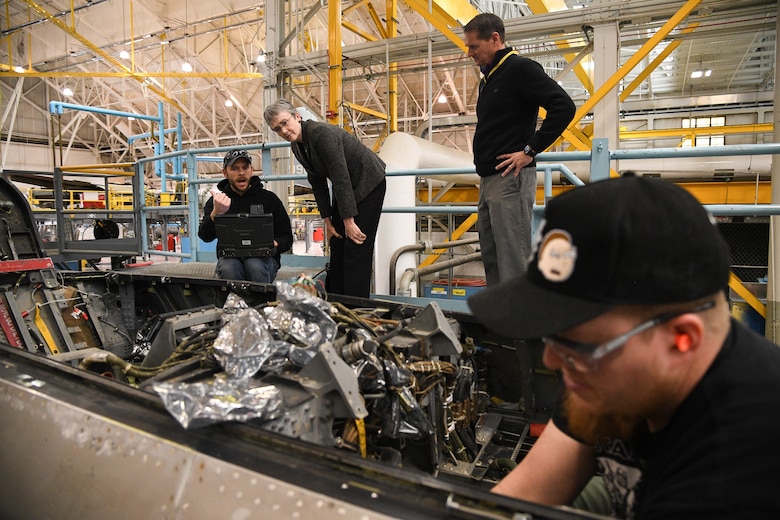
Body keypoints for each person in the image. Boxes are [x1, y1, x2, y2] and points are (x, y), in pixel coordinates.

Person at [468, 175, 780, 518]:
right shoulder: (605, 374)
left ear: (682, 340)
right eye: (553, 336)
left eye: (576, 347)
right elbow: (526, 491)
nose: (552, 360)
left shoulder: (737, 472)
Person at [463, 13, 576, 286]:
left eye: (474, 46)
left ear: (495, 39)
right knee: (491, 258)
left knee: (513, 259)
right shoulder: (489, 79)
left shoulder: (520, 69)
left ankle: (521, 326)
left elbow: (564, 107)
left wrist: (530, 150)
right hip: (489, 179)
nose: (469, 53)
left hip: (510, 179)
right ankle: (500, 323)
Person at [263, 99, 386, 298]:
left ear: (297, 116)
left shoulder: (322, 134)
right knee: (337, 241)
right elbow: (317, 182)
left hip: (367, 182)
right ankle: (336, 300)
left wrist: (349, 221)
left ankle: (356, 306)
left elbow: (340, 176)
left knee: (356, 245)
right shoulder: (297, 146)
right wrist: (328, 221)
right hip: (345, 188)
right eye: (277, 129)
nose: (283, 130)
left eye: (285, 123)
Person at [198, 149, 293, 283]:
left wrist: (273, 244)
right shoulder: (217, 201)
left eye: (245, 167)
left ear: (251, 170)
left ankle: (259, 303)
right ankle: (234, 303)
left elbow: (287, 237)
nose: (241, 172)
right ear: (225, 173)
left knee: (254, 265)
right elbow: (205, 236)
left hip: (263, 260)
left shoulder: (269, 199)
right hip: (230, 259)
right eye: (235, 168)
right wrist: (215, 214)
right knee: (228, 267)